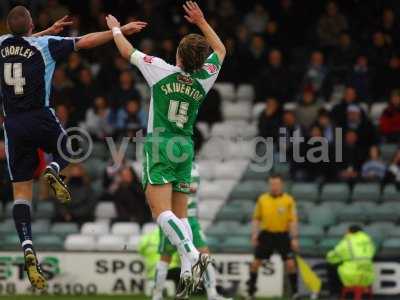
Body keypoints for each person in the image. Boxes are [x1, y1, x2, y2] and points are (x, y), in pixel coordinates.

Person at [0, 5, 146, 289]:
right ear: (31, 27)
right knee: (73, 145)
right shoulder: (45, 45)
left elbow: (18, 40)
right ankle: (54, 168)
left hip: (13, 125)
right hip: (39, 116)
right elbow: (85, 41)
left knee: (21, 192)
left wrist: (43, 32)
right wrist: (118, 31)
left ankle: (28, 246)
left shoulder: (2, 44)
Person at [106, 1, 226, 296]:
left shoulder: (161, 70)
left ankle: (193, 255)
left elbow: (126, 51)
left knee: (159, 210)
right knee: (181, 214)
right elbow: (221, 50)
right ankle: (187, 270)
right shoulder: (204, 79)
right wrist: (201, 21)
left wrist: (115, 29)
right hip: (185, 145)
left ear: (179, 56)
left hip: (161, 143)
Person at [153, 163, 231, 300]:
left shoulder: (195, 167)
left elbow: (191, 189)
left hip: (191, 219)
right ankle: (157, 295)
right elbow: (167, 190)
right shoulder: (171, 166)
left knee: (204, 254)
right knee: (166, 257)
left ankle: (212, 294)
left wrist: (187, 188)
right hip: (173, 219)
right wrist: (186, 188)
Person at [246, 174, 300, 300]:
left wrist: (294, 238)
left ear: (281, 185)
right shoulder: (262, 199)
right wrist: (254, 234)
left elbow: (293, 221)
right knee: (255, 263)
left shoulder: (288, 200)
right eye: (272, 184)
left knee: (291, 264)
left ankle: (295, 293)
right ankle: (251, 292)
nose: (274, 186)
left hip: (282, 235)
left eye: (276, 184)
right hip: (266, 235)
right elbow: (256, 219)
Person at [138, 228, 181, 295]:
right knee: (185, 272)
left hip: (152, 273)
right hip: (169, 270)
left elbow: (140, 251)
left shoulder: (147, 238)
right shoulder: (172, 238)